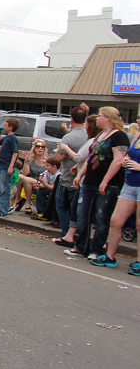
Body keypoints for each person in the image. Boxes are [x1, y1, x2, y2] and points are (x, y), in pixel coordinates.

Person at [68, 107, 128, 261]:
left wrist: (106, 180)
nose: (97, 119)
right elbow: (91, 157)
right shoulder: (101, 135)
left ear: (108, 118)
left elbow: (118, 160)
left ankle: (97, 249)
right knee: (82, 213)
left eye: (100, 116)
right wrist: (80, 174)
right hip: (89, 181)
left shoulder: (119, 136)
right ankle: (81, 246)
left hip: (108, 183)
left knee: (101, 216)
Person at [90, 127, 140, 274]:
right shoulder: (137, 135)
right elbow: (130, 154)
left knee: (139, 224)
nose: (138, 121)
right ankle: (110, 257)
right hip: (130, 184)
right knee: (116, 221)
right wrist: (127, 160)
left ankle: (139, 262)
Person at [56, 114, 99, 246]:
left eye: (87, 125)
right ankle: (70, 236)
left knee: (70, 209)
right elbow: (88, 160)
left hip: (73, 179)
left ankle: (73, 238)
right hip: (79, 177)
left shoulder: (90, 140)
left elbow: (78, 158)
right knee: (76, 209)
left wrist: (65, 148)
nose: (85, 127)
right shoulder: (91, 140)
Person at [50, 107, 88, 243]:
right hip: (83, 177)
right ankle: (79, 235)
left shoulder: (68, 137)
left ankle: (67, 234)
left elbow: (58, 158)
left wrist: (57, 152)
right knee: (78, 209)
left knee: (63, 206)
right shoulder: (88, 135)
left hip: (68, 177)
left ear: (71, 119)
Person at [0, 117, 20, 217]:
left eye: (6, 125)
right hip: (0, 165)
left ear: (11, 127)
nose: (4, 126)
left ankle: (3, 210)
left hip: (6, 166)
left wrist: (11, 167)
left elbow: (15, 153)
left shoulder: (13, 138)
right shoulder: (6, 137)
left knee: (4, 188)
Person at [10, 139, 49, 214]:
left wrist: (47, 164)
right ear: (34, 148)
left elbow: (50, 173)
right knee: (20, 176)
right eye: (38, 146)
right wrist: (26, 162)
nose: (40, 148)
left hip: (42, 182)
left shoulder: (47, 159)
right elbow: (25, 173)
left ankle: (27, 203)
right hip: (31, 182)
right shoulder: (31, 160)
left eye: (42, 147)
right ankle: (18, 198)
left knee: (27, 179)